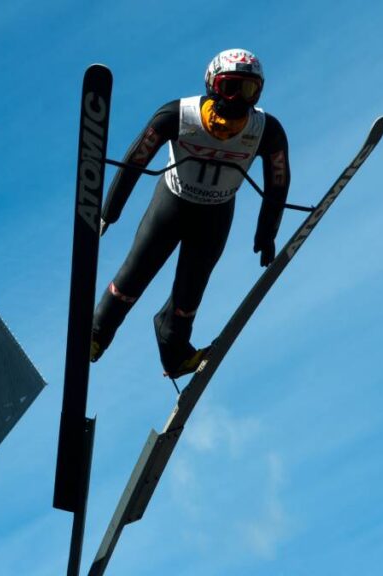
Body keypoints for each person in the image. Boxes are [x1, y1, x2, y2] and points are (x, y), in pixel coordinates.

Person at [90, 48, 291, 378]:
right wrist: (108, 212)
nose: (240, 99)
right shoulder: (177, 115)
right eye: (231, 87)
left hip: (215, 214)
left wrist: (267, 233)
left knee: (189, 296)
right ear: (212, 84)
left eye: (249, 90)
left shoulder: (267, 130)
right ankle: (96, 336)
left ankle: (175, 353)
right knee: (133, 276)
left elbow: (278, 183)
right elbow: (134, 162)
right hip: (172, 205)